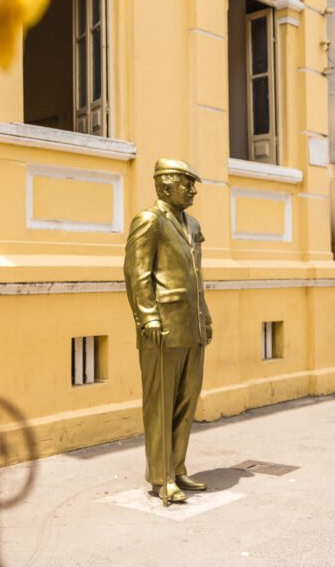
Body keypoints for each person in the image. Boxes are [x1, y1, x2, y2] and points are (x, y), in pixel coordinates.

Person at [123, 158, 212, 504]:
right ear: (164, 185)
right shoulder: (149, 221)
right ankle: (162, 478)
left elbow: (197, 279)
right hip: (162, 327)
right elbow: (137, 273)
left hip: (191, 325)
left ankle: (177, 466)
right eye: (185, 183)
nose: (192, 190)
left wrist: (205, 315)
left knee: (186, 400)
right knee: (160, 404)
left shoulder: (191, 225)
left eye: (193, 185)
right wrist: (148, 317)